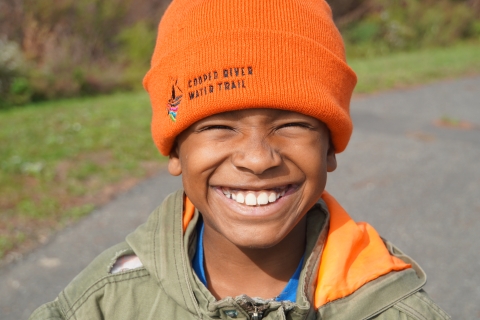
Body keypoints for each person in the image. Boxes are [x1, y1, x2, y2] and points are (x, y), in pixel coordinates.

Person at [30, 0, 451, 319]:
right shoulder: (106, 302)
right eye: (217, 126)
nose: (256, 158)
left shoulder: (389, 308)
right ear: (176, 149)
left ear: (330, 149)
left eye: (291, 124)